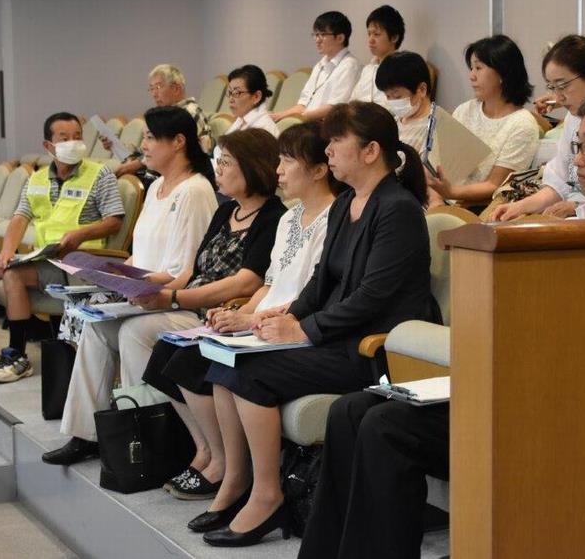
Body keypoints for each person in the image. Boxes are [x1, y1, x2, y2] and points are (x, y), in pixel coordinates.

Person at [297, 82, 585, 559]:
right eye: (576, 145)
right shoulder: (570, 224)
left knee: (385, 426)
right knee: (352, 411)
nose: (576, 159)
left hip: (562, 408)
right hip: (514, 386)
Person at [200, 101, 439, 547]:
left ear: (370, 151)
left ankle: (268, 494)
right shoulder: (348, 201)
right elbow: (319, 280)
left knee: (245, 372)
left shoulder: (397, 209)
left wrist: (304, 330)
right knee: (225, 364)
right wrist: (284, 316)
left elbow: (373, 297)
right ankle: (248, 484)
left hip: (374, 349)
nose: (327, 150)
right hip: (337, 337)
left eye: (335, 141)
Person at [141, 122, 340, 507]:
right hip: (261, 318)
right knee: (177, 354)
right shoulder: (289, 219)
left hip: (288, 325)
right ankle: (223, 462)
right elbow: (268, 283)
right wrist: (237, 313)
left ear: (318, 169)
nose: (279, 170)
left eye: (287, 161)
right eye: (278, 161)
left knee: (210, 364)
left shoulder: (332, 218)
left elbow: (310, 294)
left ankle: (235, 472)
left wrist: (249, 319)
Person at [42, 106, 219, 465]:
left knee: (132, 333)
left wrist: (140, 284)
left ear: (179, 142)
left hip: (180, 303)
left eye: (151, 137)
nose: (144, 145)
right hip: (143, 295)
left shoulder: (196, 191)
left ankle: (149, 438)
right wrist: (111, 274)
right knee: (96, 327)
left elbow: (189, 271)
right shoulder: (154, 189)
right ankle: (86, 434)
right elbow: (139, 259)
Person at [0, 113, 124, 383]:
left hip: (79, 261)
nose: (74, 142)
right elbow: (20, 217)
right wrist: (8, 251)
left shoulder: (99, 175)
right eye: (64, 138)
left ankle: (16, 355)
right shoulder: (38, 179)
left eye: (77, 136)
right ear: (49, 146)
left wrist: (81, 234)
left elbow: (114, 221)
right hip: (45, 255)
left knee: (13, 275)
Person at [493, 35, 585, 221]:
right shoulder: (573, 119)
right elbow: (562, 180)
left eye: (563, 86)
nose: (558, 98)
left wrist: (578, 206)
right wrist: (518, 207)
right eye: (553, 87)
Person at [427, 34, 540, 209]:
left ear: (502, 73)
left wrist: (451, 193)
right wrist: (436, 202)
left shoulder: (522, 124)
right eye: (471, 68)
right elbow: (434, 165)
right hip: (440, 201)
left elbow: (494, 185)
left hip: (481, 209)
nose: (471, 76)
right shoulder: (465, 110)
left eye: (478, 68)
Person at [115, 64, 213, 176]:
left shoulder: (189, 113)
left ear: (176, 88)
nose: (154, 94)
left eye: (158, 87)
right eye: (151, 89)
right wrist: (117, 146)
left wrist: (135, 165)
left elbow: (185, 155)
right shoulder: (167, 115)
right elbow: (155, 149)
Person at [271, 12, 361, 123]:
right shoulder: (319, 65)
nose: (317, 40)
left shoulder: (350, 65)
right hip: (308, 122)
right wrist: (279, 115)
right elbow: (303, 104)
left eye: (322, 35)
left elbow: (335, 108)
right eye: (316, 34)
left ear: (340, 38)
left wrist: (300, 118)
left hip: (326, 125)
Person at [374, 50, 434, 153]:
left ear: (422, 90)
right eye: (388, 96)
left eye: (397, 96)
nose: (392, 102)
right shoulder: (396, 121)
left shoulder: (432, 129)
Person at [349, 5, 405, 107]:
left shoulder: (402, 70)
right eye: (369, 34)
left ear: (394, 37)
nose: (370, 40)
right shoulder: (368, 69)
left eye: (376, 34)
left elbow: (398, 108)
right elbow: (352, 100)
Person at [217, 65, 280, 153]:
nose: (231, 99)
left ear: (256, 96)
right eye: (230, 92)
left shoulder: (264, 130)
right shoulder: (241, 120)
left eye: (237, 93)